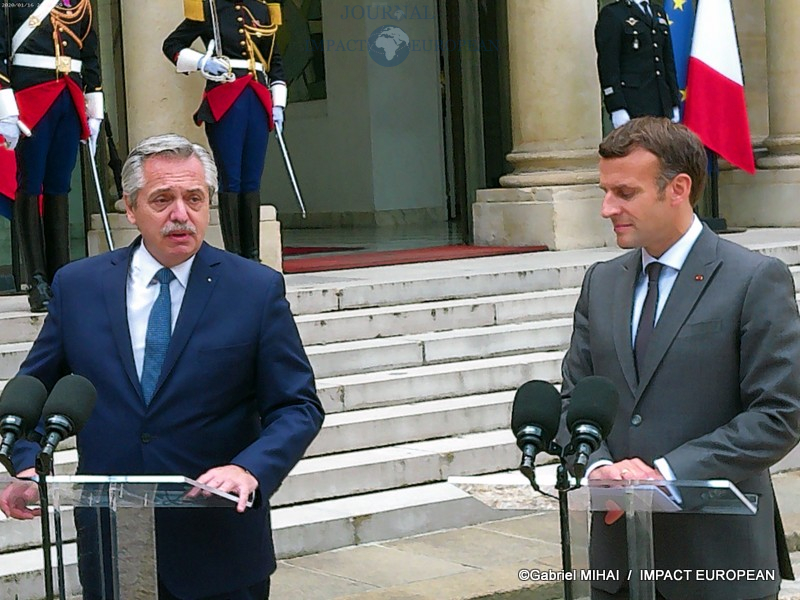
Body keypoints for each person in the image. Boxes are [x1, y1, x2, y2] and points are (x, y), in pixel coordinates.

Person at [0, 133, 324, 599]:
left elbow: (297, 406)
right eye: (162, 199)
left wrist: (249, 469)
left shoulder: (254, 290)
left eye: (195, 199)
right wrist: (28, 464)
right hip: (114, 543)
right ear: (131, 208)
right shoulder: (79, 287)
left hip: (218, 546)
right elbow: (33, 391)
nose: (181, 214)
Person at [561, 117, 800, 600]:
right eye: (604, 191)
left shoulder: (753, 279)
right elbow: (574, 399)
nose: (608, 208)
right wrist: (598, 468)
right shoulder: (601, 282)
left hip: (718, 562)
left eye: (624, 193)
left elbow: (780, 413)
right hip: (618, 565)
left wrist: (665, 476)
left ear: (678, 188)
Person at [163, 0, 287, 262]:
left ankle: (252, 256)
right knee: (232, 178)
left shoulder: (263, 9)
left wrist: (278, 102)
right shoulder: (208, 7)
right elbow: (172, 44)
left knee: (252, 179)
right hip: (227, 98)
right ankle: (235, 258)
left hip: (258, 98)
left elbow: (273, 59)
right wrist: (202, 63)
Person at [2, 0, 104, 311]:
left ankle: (60, 276)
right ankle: (36, 280)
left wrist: (94, 105)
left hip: (68, 97)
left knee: (60, 186)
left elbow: (90, 53)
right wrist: (5, 100)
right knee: (30, 184)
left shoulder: (79, 4)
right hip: (31, 95)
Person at [595, 0, 680, 129]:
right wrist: (617, 106)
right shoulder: (613, 13)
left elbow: (668, 62)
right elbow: (608, 66)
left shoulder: (658, 12)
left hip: (661, 102)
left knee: (661, 147)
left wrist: (673, 102)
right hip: (633, 103)